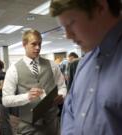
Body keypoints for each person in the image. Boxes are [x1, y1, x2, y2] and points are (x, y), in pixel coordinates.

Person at [50, 0, 122, 134]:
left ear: (100, 7)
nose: (67, 35)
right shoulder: (85, 62)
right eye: (63, 27)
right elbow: (70, 111)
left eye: (71, 23)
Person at [2, 29, 67, 135]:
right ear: (24, 44)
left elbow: (62, 87)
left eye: (40, 44)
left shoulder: (52, 65)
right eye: (34, 44)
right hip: (29, 126)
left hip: (52, 123)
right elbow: (6, 100)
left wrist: (61, 95)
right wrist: (27, 96)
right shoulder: (13, 69)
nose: (38, 48)